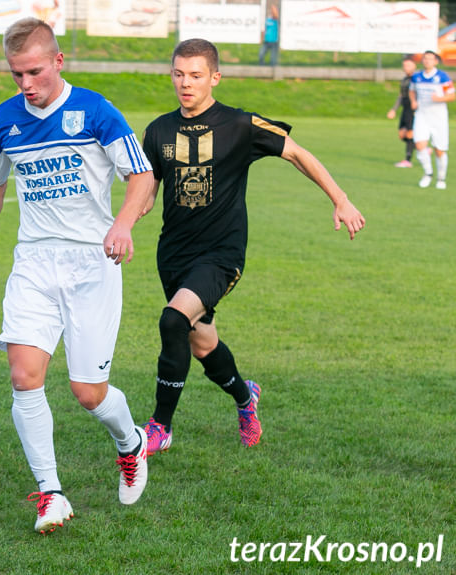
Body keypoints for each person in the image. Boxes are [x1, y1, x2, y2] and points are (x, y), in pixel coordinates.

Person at [0, 18, 154, 534]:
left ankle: (129, 443)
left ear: (58, 62)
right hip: (34, 262)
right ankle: (51, 494)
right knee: (24, 376)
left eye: (35, 71)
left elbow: (143, 176)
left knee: (88, 393)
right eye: (16, 73)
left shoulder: (95, 111)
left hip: (94, 261)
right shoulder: (4, 120)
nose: (25, 83)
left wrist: (123, 223)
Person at [139, 38, 365, 456]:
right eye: (178, 74)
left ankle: (160, 426)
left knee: (173, 321)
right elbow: (146, 196)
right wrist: (121, 221)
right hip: (172, 255)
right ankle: (246, 399)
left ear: (215, 77)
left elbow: (297, 154)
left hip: (221, 256)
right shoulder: (158, 131)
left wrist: (340, 198)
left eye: (195, 75)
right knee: (201, 342)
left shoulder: (240, 125)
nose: (185, 84)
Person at [409, 50, 455, 189]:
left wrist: (439, 98)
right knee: (419, 145)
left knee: (439, 150)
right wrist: (413, 101)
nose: (427, 61)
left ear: (435, 61)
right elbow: (412, 90)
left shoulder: (442, 77)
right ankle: (428, 173)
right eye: (425, 58)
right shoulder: (416, 77)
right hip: (422, 116)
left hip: (438, 118)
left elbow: (452, 96)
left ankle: (441, 178)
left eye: (430, 59)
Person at [387, 56, 417, 168]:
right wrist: (393, 109)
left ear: (414, 66)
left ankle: (407, 160)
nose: (405, 68)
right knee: (402, 135)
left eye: (408, 65)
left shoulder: (417, 79)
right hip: (405, 108)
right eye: (404, 65)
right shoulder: (404, 79)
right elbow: (401, 95)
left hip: (412, 109)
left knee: (410, 133)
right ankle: (421, 147)